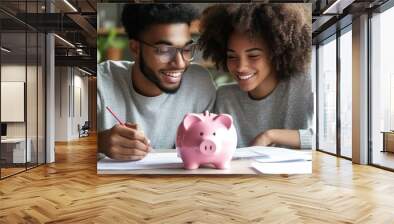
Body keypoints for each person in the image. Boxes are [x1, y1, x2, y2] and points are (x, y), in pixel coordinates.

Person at [97, 4, 216, 161]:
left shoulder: (199, 84)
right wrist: (99, 142)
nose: (180, 63)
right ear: (135, 48)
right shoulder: (100, 82)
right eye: (165, 50)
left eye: (186, 50)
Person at [199, 4, 313, 149]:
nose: (241, 67)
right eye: (232, 57)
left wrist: (270, 136)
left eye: (253, 56)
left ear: (276, 53)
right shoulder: (225, 97)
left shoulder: (303, 84)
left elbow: (329, 141)